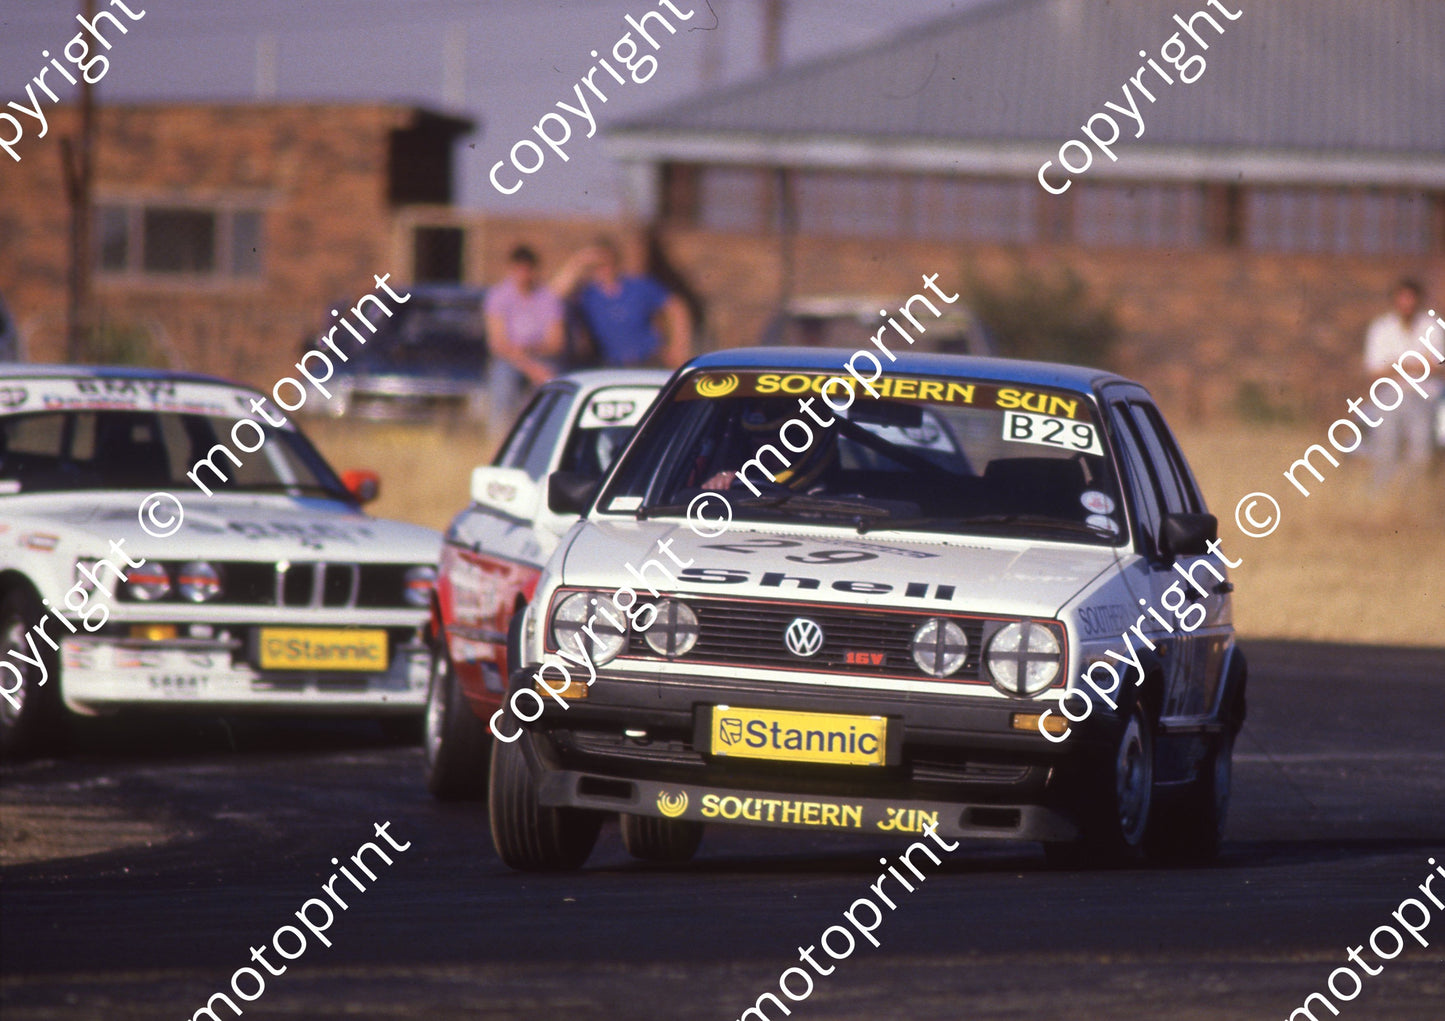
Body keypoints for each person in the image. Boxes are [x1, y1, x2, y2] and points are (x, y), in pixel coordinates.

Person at [551, 237, 691, 369]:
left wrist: (678, 345)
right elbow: (553, 296)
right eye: (596, 265)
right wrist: (579, 261)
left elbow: (677, 307)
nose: (603, 269)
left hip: (649, 360)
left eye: (606, 263)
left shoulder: (639, 286)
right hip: (608, 364)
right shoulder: (586, 294)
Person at [1363, 278, 1440, 486]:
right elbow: (1375, 371)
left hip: (1424, 395)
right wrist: (1407, 365)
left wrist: (1404, 365)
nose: (1407, 304)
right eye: (1402, 298)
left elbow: (1437, 366)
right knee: (1385, 447)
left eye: (1411, 298)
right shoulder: (1382, 328)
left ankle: (1412, 495)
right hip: (1390, 395)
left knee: (1420, 447)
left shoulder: (1431, 326)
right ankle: (1380, 496)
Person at [483, 245, 565, 437]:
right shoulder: (498, 296)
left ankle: (546, 436)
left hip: (539, 356)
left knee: (553, 383)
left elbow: (556, 342)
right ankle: (498, 438)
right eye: (518, 269)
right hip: (509, 359)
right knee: (503, 378)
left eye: (527, 269)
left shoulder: (548, 298)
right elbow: (498, 343)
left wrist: (531, 352)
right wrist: (529, 367)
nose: (523, 275)